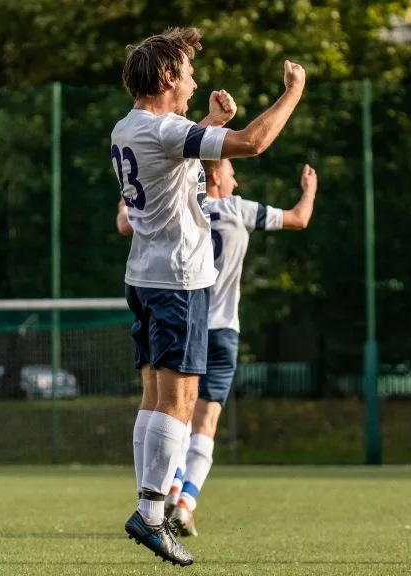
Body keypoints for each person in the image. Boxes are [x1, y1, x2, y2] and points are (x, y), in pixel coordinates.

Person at [111, 25, 305, 566]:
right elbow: (255, 144)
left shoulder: (127, 128)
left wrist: (211, 124)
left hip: (145, 275)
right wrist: (293, 90)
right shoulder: (165, 129)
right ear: (168, 77)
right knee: (180, 400)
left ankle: (147, 505)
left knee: (154, 397)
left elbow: (177, 157)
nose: (195, 82)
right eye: (189, 73)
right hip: (178, 280)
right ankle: (151, 514)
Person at [118, 159, 318, 537]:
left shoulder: (181, 206)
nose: (235, 179)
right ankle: (186, 502)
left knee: (175, 415)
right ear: (215, 177)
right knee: (204, 423)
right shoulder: (239, 209)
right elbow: (298, 219)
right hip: (222, 330)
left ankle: (165, 496)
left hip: (179, 321)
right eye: (231, 173)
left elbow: (125, 224)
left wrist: (123, 203)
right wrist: (309, 190)